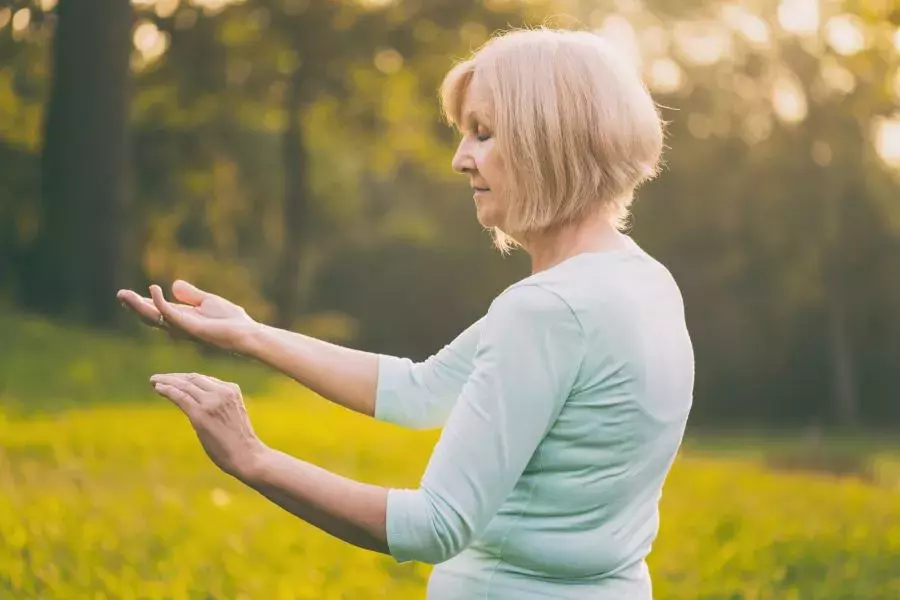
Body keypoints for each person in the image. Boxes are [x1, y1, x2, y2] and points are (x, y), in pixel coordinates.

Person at [118, 27, 694, 600]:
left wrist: (252, 457)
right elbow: (422, 389)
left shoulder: (547, 310)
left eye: (484, 134)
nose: (460, 159)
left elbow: (435, 525)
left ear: (550, 142)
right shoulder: (644, 281)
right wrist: (249, 334)